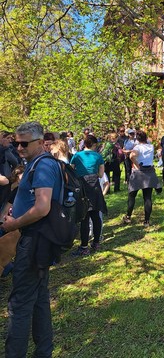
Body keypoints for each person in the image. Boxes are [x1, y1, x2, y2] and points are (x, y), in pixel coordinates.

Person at [2, 121, 62, 358]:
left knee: (19, 304)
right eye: (16, 143)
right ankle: (44, 351)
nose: (19, 148)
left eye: (24, 143)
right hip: (37, 239)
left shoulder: (43, 166)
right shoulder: (37, 163)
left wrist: (14, 223)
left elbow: (42, 207)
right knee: (39, 299)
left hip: (35, 241)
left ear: (40, 142)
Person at [70, 135, 106, 256]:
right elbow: (101, 175)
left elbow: (71, 171)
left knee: (84, 218)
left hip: (82, 188)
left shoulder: (77, 156)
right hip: (94, 187)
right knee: (96, 216)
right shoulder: (98, 156)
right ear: (94, 145)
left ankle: (84, 247)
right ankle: (96, 243)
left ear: (84, 144)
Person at [122, 130, 161, 226]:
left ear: (137, 139)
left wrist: (137, 165)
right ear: (145, 138)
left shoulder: (137, 147)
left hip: (138, 172)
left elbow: (131, 156)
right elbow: (156, 145)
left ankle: (128, 216)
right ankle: (146, 221)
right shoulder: (150, 146)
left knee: (132, 195)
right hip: (149, 172)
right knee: (147, 197)